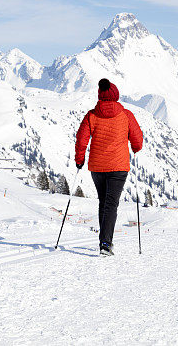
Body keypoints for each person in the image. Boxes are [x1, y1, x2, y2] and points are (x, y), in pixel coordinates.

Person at [75, 78, 143, 256]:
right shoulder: (126, 115)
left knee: (103, 202)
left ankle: (104, 241)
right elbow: (138, 140)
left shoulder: (91, 115)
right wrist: (135, 148)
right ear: (115, 95)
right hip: (119, 167)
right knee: (111, 204)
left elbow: (81, 139)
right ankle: (106, 243)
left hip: (97, 167)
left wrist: (79, 160)